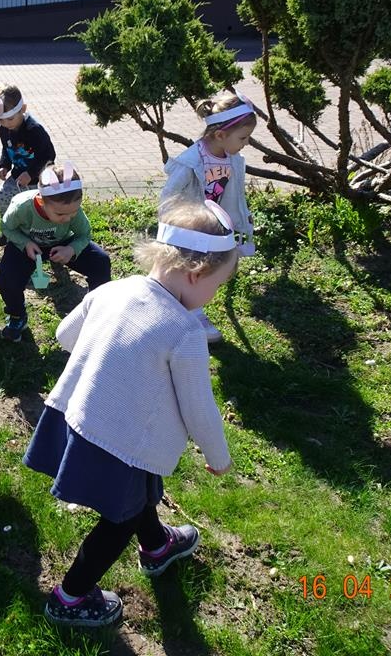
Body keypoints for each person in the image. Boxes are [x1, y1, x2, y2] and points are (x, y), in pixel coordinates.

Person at [24, 198, 237, 628]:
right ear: (195, 274)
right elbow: (199, 408)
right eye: (216, 286)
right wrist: (219, 457)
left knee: (138, 493)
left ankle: (157, 545)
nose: (212, 296)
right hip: (121, 440)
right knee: (118, 519)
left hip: (79, 417)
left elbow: (65, 335)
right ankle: (70, 597)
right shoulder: (184, 331)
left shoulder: (112, 290)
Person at [160, 90, 258, 344]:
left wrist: (239, 221)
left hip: (212, 226)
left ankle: (188, 308)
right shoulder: (192, 161)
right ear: (220, 135)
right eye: (243, 137)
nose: (246, 143)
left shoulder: (233, 159)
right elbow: (169, 193)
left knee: (206, 267)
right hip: (189, 226)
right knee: (191, 268)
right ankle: (192, 314)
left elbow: (234, 195)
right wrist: (173, 224)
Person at [0, 162, 111, 343]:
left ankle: (96, 308)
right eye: (60, 214)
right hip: (29, 243)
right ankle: (17, 315)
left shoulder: (71, 210)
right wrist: (24, 243)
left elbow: (84, 234)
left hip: (62, 242)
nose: (67, 218)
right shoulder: (22, 206)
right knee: (7, 279)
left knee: (101, 262)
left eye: (73, 213)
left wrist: (71, 249)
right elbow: (6, 227)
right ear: (41, 201)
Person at [0, 83, 56, 247]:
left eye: (10, 118)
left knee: (36, 208)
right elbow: (7, 148)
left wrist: (31, 173)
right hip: (18, 177)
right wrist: (4, 165)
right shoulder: (3, 129)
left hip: (39, 180)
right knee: (1, 196)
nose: (6, 123)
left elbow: (48, 155)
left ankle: (43, 235)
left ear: (23, 109)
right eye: (1, 119)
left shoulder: (34, 130)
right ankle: (8, 231)